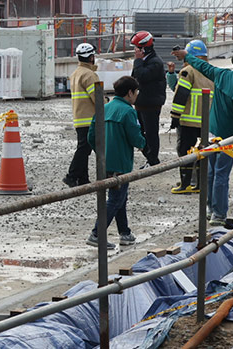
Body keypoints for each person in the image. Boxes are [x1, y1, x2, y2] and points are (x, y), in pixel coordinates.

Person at [185, 45, 233, 226]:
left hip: (212, 132)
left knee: (211, 172)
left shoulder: (222, 75)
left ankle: (211, 209)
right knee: (221, 174)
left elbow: (202, 66)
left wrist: (187, 56)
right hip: (228, 138)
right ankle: (219, 214)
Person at [86, 75, 145, 248]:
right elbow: (135, 137)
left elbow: (91, 135)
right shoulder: (128, 111)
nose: (137, 96)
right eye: (136, 92)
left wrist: (101, 152)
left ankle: (125, 232)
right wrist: (143, 143)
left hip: (104, 161)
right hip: (121, 163)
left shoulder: (104, 108)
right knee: (116, 199)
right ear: (130, 92)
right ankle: (96, 233)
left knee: (120, 197)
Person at [168, 41, 216, 194]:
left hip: (188, 121)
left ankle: (185, 184)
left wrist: (175, 116)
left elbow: (181, 94)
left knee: (185, 152)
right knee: (204, 151)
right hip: (207, 122)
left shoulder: (188, 71)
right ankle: (200, 184)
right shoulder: (211, 71)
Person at [64, 42, 103, 188]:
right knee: (84, 149)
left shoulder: (76, 73)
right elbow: (97, 99)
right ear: (91, 57)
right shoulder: (90, 75)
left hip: (79, 117)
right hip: (90, 118)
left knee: (84, 148)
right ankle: (71, 175)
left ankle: (83, 179)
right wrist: (107, 103)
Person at [129, 31, 165, 167]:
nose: (135, 51)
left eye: (137, 48)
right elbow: (135, 78)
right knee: (141, 131)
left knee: (150, 132)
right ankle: (149, 156)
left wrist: (137, 61)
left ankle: (153, 159)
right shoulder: (144, 60)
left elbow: (142, 76)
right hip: (141, 102)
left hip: (151, 103)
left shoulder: (155, 62)